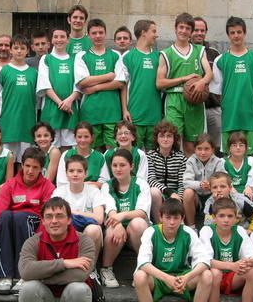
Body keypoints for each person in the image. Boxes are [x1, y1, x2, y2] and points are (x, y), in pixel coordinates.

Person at [134, 198, 212, 302]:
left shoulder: (188, 232)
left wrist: (188, 277)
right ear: (160, 217)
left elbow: (204, 260)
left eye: (176, 218)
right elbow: (143, 263)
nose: (171, 222)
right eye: (168, 217)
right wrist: (166, 278)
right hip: (158, 278)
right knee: (139, 276)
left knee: (207, 275)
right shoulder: (151, 232)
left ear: (182, 218)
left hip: (182, 278)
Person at [18, 197, 95, 302]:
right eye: (49, 217)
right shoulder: (33, 242)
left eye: (59, 216)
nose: (54, 221)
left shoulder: (84, 241)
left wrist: (40, 275)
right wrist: (64, 263)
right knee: (28, 287)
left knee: (79, 288)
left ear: (69, 220)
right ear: (43, 221)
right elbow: (26, 272)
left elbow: (80, 274)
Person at [0, 148, 55, 295]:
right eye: (27, 166)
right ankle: (5, 275)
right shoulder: (10, 184)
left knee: (20, 218)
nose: (30, 171)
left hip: (34, 226)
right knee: (4, 216)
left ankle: (24, 274)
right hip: (12, 225)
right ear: (22, 165)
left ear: (41, 169)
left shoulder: (47, 187)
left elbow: (48, 217)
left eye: (35, 167)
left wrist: (40, 236)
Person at [199, 198, 253, 302]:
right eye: (221, 216)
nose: (226, 220)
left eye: (230, 216)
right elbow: (205, 260)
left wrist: (248, 262)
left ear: (236, 218)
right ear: (214, 218)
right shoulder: (207, 230)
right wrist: (232, 265)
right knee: (214, 272)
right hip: (213, 279)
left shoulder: (239, 231)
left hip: (233, 278)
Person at [210, 16, 253, 155]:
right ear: (228, 35)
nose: (236, 35)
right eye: (232, 32)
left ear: (244, 33)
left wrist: (250, 104)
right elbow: (217, 92)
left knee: (249, 158)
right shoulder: (220, 61)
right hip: (230, 116)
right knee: (228, 156)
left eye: (239, 32)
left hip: (250, 116)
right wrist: (231, 104)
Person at [156, 12, 212, 157]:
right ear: (175, 29)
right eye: (181, 27)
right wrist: (183, 79)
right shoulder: (166, 53)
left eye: (187, 28)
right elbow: (159, 83)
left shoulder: (199, 51)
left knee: (191, 145)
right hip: (174, 99)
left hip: (195, 100)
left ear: (191, 31)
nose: (183, 31)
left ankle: (189, 177)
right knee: (174, 141)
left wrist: (202, 82)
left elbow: (209, 74)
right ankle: (175, 176)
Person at [100, 149, 151, 288]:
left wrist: (122, 216)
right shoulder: (107, 186)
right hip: (117, 232)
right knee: (111, 229)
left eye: (122, 165)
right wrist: (118, 225)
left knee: (138, 223)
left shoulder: (141, 184)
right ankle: (106, 269)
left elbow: (142, 212)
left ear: (131, 166)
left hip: (136, 233)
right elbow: (110, 210)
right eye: (115, 165)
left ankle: (143, 267)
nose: (118, 169)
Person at [75, 18, 126, 149]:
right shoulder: (81, 56)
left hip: (112, 111)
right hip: (90, 112)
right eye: (94, 33)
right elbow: (82, 82)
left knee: (113, 152)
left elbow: (120, 82)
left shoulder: (115, 55)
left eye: (100, 32)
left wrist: (96, 87)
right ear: (88, 35)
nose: (98, 36)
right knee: (92, 152)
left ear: (105, 33)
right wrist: (109, 76)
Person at [0, 34, 38, 159]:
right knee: (7, 157)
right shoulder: (4, 71)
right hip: (8, 121)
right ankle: (8, 179)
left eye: (22, 48)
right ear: (11, 50)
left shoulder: (34, 73)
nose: (19, 51)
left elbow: (38, 99)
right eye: (16, 48)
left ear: (28, 50)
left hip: (27, 121)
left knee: (25, 157)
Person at [120, 20, 162, 151]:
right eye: (153, 31)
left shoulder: (159, 56)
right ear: (143, 33)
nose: (156, 35)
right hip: (135, 115)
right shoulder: (128, 56)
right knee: (133, 154)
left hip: (155, 116)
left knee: (153, 155)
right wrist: (125, 110)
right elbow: (123, 85)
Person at [53, 155, 104, 259]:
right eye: (71, 171)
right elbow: (54, 216)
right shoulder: (59, 192)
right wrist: (88, 215)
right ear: (66, 174)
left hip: (88, 232)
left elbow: (99, 218)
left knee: (94, 229)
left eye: (79, 171)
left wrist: (73, 212)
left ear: (85, 173)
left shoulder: (94, 192)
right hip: (67, 229)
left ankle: (90, 268)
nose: (75, 174)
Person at [37, 27, 81, 149]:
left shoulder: (75, 59)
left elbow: (79, 84)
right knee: (51, 147)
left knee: (69, 147)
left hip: (71, 108)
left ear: (68, 40)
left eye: (62, 37)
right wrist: (61, 103)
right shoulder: (46, 59)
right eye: (56, 37)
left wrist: (69, 101)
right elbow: (44, 85)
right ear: (51, 40)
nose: (59, 40)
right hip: (52, 109)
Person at [146, 121, 187, 224]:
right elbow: (150, 180)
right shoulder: (150, 156)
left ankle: (182, 222)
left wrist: (179, 198)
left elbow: (183, 182)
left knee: (187, 192)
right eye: (162, 136)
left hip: (177, 196)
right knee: (153, 191)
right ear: (157, 138)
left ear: (174, 139)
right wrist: (169, 192)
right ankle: (159, 225)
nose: (165, 139)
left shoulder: (181, 157)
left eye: (169, 136)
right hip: (160, 194)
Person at [191, 16, 222, 150]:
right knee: (194, 145)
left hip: (212, 107)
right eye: (196, 30)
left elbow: (221, 80)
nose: (199, 33)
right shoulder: (184, 52)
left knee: (215, 146)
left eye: (202, 30)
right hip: (192, 108)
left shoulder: (214, 53)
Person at [183, 133, 225, 228]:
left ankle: (214, 226)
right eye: (199, 149)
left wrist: (211, 185)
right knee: (187, 192)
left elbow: (222, 179)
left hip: (212, 194)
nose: (203, 152)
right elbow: (186, 181)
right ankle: (191, 227)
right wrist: (200, 184)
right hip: (197, 197)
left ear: (212, 150)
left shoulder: (218, 162)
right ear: (195, 149)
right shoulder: (191, 161)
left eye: (206, 149)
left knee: (221, 192)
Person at [56, 122, 109, 188]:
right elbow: (61, 183)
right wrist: (89, 184)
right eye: (79, 137)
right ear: (75, 137)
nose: (83, 140)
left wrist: (81, 185)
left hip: (94, 195)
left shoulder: (100, 157)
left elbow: (105, 183)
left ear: (92, 137)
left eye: (86, 137)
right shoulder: (66, 155)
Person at [223, 131, 253, 202]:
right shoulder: (222, 162)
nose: (238, 148)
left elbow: (252, 178)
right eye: (234, 145)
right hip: (229, 192)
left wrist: (249, 187)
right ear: (229, 148)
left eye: (241, 145)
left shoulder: (251, 161)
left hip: (246, 192)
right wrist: (231, 189)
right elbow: (224, 180)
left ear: (246, 147)